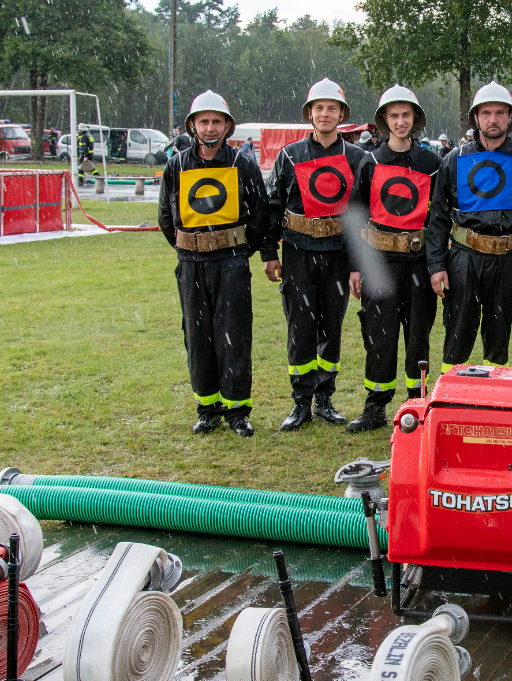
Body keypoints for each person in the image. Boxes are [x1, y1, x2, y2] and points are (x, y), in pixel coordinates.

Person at [158, 90, 274, 437]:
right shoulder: (176, 165)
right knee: (197, 336)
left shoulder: (243, 164)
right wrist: (192, 248)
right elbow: (166, 216)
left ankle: (238, 410)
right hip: (191, 264)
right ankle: (207, 408)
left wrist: (239, 251)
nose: (210, 128)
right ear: (193, 125)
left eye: (217, 121)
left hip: (232, 264)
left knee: (234, 335)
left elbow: (261, 216)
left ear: (227, 126)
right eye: (204, 121)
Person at [427, 82, 512, 370]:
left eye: (500, 113)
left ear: (510, 117)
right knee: (458, 334)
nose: (493, 119)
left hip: (507, 261)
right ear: (476, 118)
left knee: (498, 338)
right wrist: (437, 266)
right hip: (463, 259)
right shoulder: (453, 161)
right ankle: (453, 399)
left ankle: (493, 404)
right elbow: (437, 220)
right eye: (486, 113)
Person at [268, 77, 368, 431]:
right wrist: (269, 253)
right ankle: (301, 402)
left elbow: (361, 217)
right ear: (309, 113)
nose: (325, 114)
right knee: (300, 327)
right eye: (318, 108)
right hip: (297, 252)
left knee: (332, 326)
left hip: (339, 254)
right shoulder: (289, 155)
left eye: (332, 108)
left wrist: (357, 266)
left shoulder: (357, 158)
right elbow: (272, 206)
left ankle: (325, 398)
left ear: (342, 113)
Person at [344, 86, 443, 433]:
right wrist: (356, 266)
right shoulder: (369, 162)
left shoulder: (432, 164)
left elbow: (438, 219)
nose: (401, 122)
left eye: (406, 115)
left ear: (415, 118)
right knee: (379, 335)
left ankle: (418, 404)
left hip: (418, 262)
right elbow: (355, 216)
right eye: (394, 115)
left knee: (419, 335)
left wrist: (436, 266)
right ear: (384, 120)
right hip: (379, 264)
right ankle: (375, 407)